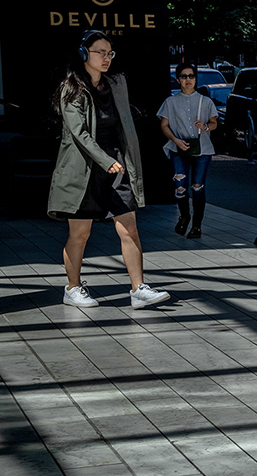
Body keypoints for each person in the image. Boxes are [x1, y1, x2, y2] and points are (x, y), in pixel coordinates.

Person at [48, 31, 171, 309]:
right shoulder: (72, 89)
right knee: (80, 233)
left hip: (115, 164)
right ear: (84, 55)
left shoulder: (115, 85)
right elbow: (79, 133)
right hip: (83, 167)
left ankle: (138, 289)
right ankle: (72, 288)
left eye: (110, 53)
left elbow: (123, 125)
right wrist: (105, 160)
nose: (106, 58)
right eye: (100, 52)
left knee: (129, 226)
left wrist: (124, 159)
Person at [157, 63, 219, 239]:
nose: (188, 80)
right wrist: (175, 140)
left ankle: (197, 225)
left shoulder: (205, 101)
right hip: (179, 147)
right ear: (178, 80)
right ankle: (184, 214)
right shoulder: (170, 102)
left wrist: (206, 126)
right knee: (180, 186)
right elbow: (164, 125)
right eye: (184, 76)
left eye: (191, 76)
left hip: (202, 149)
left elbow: (215, 123)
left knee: (198, 186)